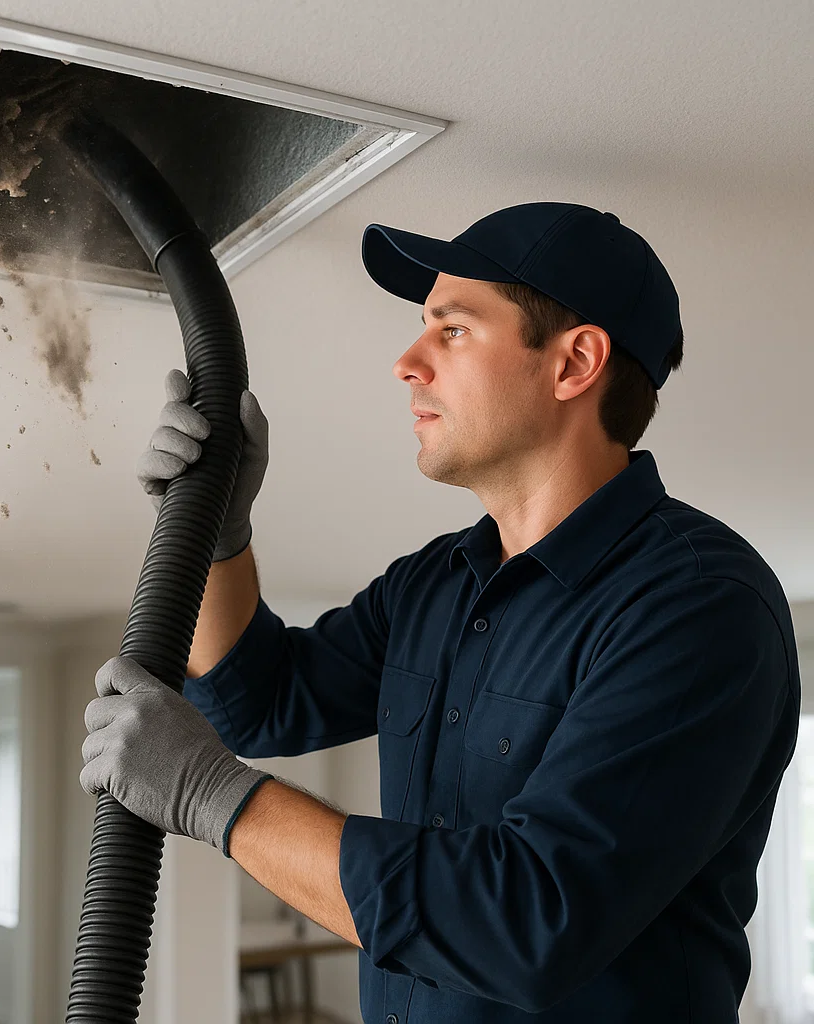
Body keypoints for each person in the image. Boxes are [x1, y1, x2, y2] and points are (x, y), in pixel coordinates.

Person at [80, 202, 801, 1022]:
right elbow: (261, 700)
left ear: (575, 364)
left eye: (452, 330)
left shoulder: (697, 605)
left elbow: (530, 921)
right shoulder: (437, 583)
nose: (406, 362)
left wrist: (213, 795)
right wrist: (215, 530)